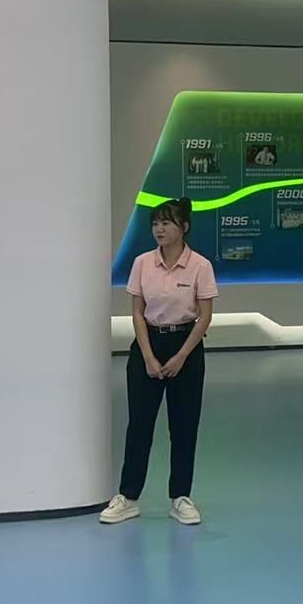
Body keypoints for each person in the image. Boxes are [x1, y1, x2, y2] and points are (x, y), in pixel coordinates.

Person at [101, 198, 216, 527]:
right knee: (139, 425)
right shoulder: (142, 263)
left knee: (184, 427)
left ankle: (180, 497)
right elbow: (137, 312)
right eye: (155, 223)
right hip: (147, 345)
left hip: (186, 347)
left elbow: (205, 317)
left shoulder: (200, 266)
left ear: (184, 227)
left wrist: (180, 357)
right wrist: (149, 357)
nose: (159, 229)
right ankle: (128, 497)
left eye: (166, 223)